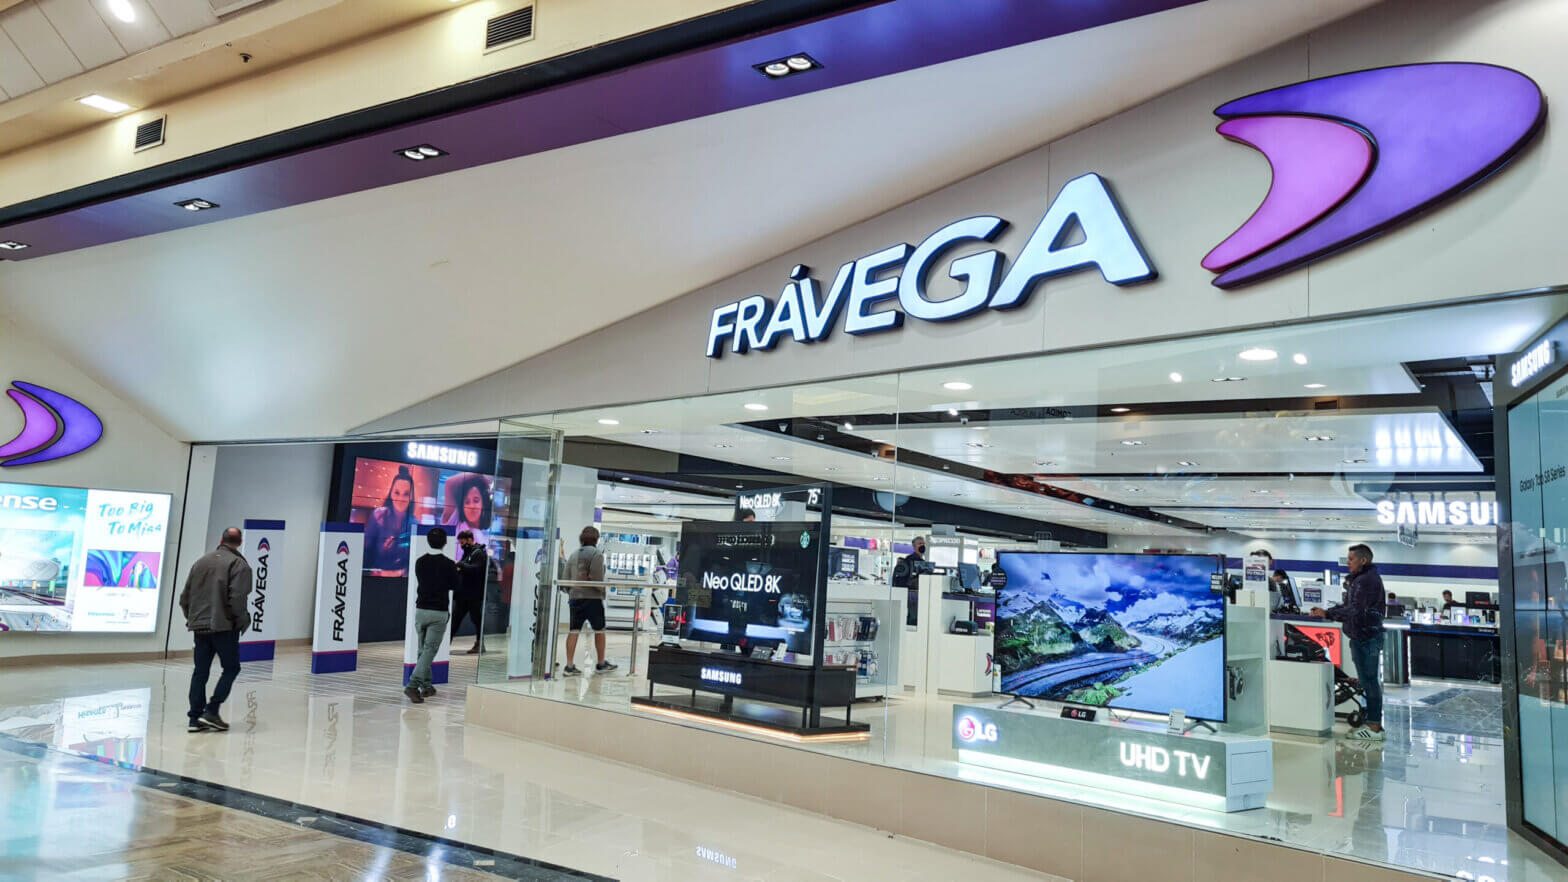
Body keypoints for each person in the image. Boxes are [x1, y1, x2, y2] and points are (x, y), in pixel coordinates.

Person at [179, 527, 253, 734]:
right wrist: (241, 622)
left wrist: (193, 618)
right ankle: (212, 710)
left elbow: (185, 598)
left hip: (199, 626)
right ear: (239, 542)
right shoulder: (239, 565)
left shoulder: (200, 562)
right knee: (231, 668)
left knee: (200, 671)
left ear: (221, 539)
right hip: (224, 627)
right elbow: (237, 599)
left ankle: (195, 718)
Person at [1313, 544, 1385, 741]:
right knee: (1367, 682)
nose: (1347, 563)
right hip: (1362, 636)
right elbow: (1349, 606)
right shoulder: (1359, 580)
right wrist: (1329, 612)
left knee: (1370, 681)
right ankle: (1371, 722)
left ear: (1363, 560)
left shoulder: (1366, 581)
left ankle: (1374, 726)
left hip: (1367, 637)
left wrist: (1328, 614)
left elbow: (1355, 609)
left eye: (1351, 559)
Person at [407, 527, 460, 704]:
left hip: (421, 610)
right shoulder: (449, 564)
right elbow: (455, 585)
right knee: (429, 651)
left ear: (428, 541)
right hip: (438, 611)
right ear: (445, 542)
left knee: (422, 650)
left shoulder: (420, 562)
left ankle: (427, 685)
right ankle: (412, 685)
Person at [563, 525, 616, 675]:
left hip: (575, 598)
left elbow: (565, 578)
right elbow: (597, 579)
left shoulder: (574, 554)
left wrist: (572, 591)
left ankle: (569, 666)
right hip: (593, 599)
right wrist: (603, 591)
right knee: (600, 630)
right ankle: (601, 664)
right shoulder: (596, 554)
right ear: (596, 539)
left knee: (573, 630)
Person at [364, 466, 417, 575]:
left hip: (401, 580)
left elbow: (414, 562)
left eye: (406, 494)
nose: (400, 498)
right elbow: (366, 553)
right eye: (397, 492)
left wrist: (399, 573)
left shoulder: (415, 524)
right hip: (376, 579)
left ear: (411, 497)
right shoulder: (379, 516)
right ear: (391, 493)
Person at [452, 530, 489, 654]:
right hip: (464, 594)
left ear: (469, 540)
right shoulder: (468, 553)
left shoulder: (478, 553)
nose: (461, 546)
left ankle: (479, 643)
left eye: (462, 543)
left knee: (477, 620)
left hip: (474, 595)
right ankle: (445, 645)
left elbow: (476, 569)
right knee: (455, 620)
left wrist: (460, 565)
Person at [442, 472, 493, 552]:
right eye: (467, 502)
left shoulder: (486, 535)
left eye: (476, 500)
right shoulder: (455, 524)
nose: (471, 506)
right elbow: (449, 482)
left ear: (483, 503)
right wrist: (481, 475)